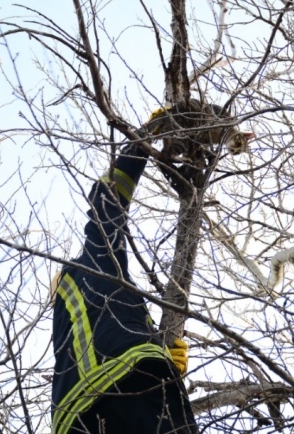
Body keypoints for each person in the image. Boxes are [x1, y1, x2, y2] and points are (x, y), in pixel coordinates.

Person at [51, 137, 199, 434]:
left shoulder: (74, 327)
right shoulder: (93, 267)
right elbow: (106, 205)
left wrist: (167, 364)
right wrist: (143, 139)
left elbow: (115, 331)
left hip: (75, 421)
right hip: (121, 386)